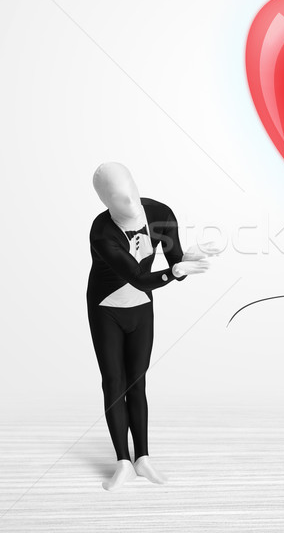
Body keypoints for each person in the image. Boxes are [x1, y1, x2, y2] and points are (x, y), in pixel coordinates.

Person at [86, 162, 219, 491]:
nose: (130, 202)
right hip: (107, 310)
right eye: (118, 198)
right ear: (105, 201)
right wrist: (172, 274)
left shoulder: (160, 214)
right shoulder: (102, 233)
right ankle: (122, 461)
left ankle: (142, 458)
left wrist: (186, 257)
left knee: (138, 383)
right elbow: (139, 276)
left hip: (142, 308)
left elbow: (175, 264)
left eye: (131, 190)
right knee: (114, 383)